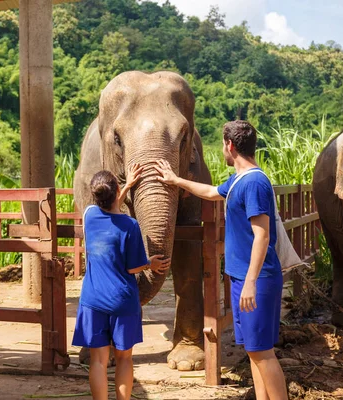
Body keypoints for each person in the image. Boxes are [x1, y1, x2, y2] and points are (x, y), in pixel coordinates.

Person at [154, 121, 288, 400]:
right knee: (253, 350)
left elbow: (261, 236)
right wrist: (175, 180)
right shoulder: (238, 180)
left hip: (257, 280)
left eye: (222, 144)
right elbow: (212, 192)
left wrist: (251, 282)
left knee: (262, 352)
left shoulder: (254, 182)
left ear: (230, 145)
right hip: (242, 278)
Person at [72, 164, 171, 400]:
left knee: (98, 361)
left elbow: (108, 209)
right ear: (116, 192)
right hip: (122, 302)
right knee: (125, 358)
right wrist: (150, 264)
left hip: (93, 300)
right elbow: (132, 267)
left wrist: (124, 187)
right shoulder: (130, 226)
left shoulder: (89, 216)